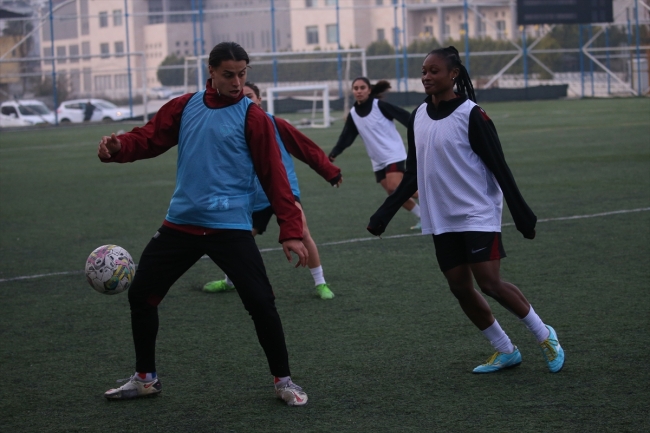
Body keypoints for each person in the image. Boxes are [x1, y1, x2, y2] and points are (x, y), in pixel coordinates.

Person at [96, 42, 310, 406]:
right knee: (141, 295)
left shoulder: (253, 116)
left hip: (230, 229)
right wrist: (119, 148)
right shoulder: (185, 105)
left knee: (261, 302)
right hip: (181, 224)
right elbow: (149, 137)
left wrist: (290, 231)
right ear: (210, 71)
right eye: (229, 74)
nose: (238, 82)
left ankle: (284, 381)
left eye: (243, 74)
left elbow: (275, 177)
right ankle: (146, 378)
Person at [367, 46, 565, 374]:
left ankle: (545, 335)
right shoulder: (418, 115)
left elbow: (499, 167)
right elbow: (412, 172)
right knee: (459, 286)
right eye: (424, 71)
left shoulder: (472, 114)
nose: (427, 77)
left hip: (477, 211)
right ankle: (505, 350)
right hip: (440, 216)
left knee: (489, 282)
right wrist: (383, 214)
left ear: (453, 74)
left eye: (434, 71)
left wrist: (522, 215)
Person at [203, 81, 342, 300]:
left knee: (302, 231)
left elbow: (305, 147)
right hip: (252, 195)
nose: (246, 100)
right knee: (238, 240)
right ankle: (230, 281)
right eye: (242, 97)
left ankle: (320, 283)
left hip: (283, 191)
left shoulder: (274, 123)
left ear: (259, 100)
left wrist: (330, 172)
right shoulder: (230, 127)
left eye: (250, 96)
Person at [329, 78, 421, 230]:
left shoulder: (380, 106)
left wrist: (420, 130)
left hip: (393, 153)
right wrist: (335, 152)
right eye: (356, 88)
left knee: (395, 188)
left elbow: (404, 116)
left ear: (369, 90)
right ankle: (423, 216)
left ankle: (436, 202)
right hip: (377, 159)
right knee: (394, 193)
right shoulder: (353, 114)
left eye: (362, 88)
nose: (359, 91)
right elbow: (347, 136)